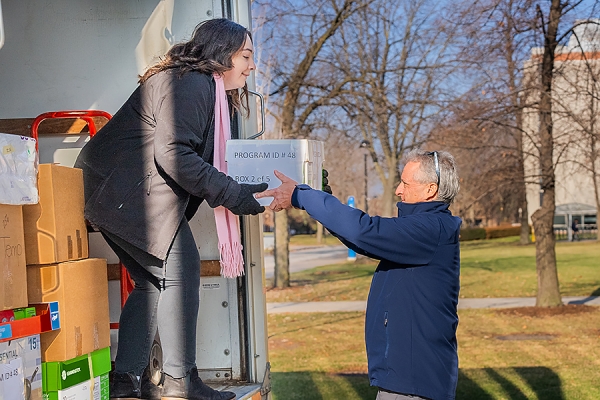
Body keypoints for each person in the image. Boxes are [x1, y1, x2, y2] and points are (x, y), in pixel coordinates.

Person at [75, 18, 267, 400]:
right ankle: (180, 383)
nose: (251, 65)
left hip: (119, 190)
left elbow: (205, 159)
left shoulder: (203, 89)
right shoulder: (191, 83)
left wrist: (246, 188)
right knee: (181, 273)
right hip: (122, 192)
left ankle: (125, 383)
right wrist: (231, 193)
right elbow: (175, 154)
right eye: (246, 55)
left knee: (151, 284)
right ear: (221, 53)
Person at [258, 150, 462, 400]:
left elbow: (364, 231)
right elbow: (363, 241)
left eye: (405, 183)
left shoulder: (429, 229)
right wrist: (319, 201)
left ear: (431, 189)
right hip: (409, 379)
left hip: (413, 383)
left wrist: (302, 196)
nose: (398, 190)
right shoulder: (426, 230)